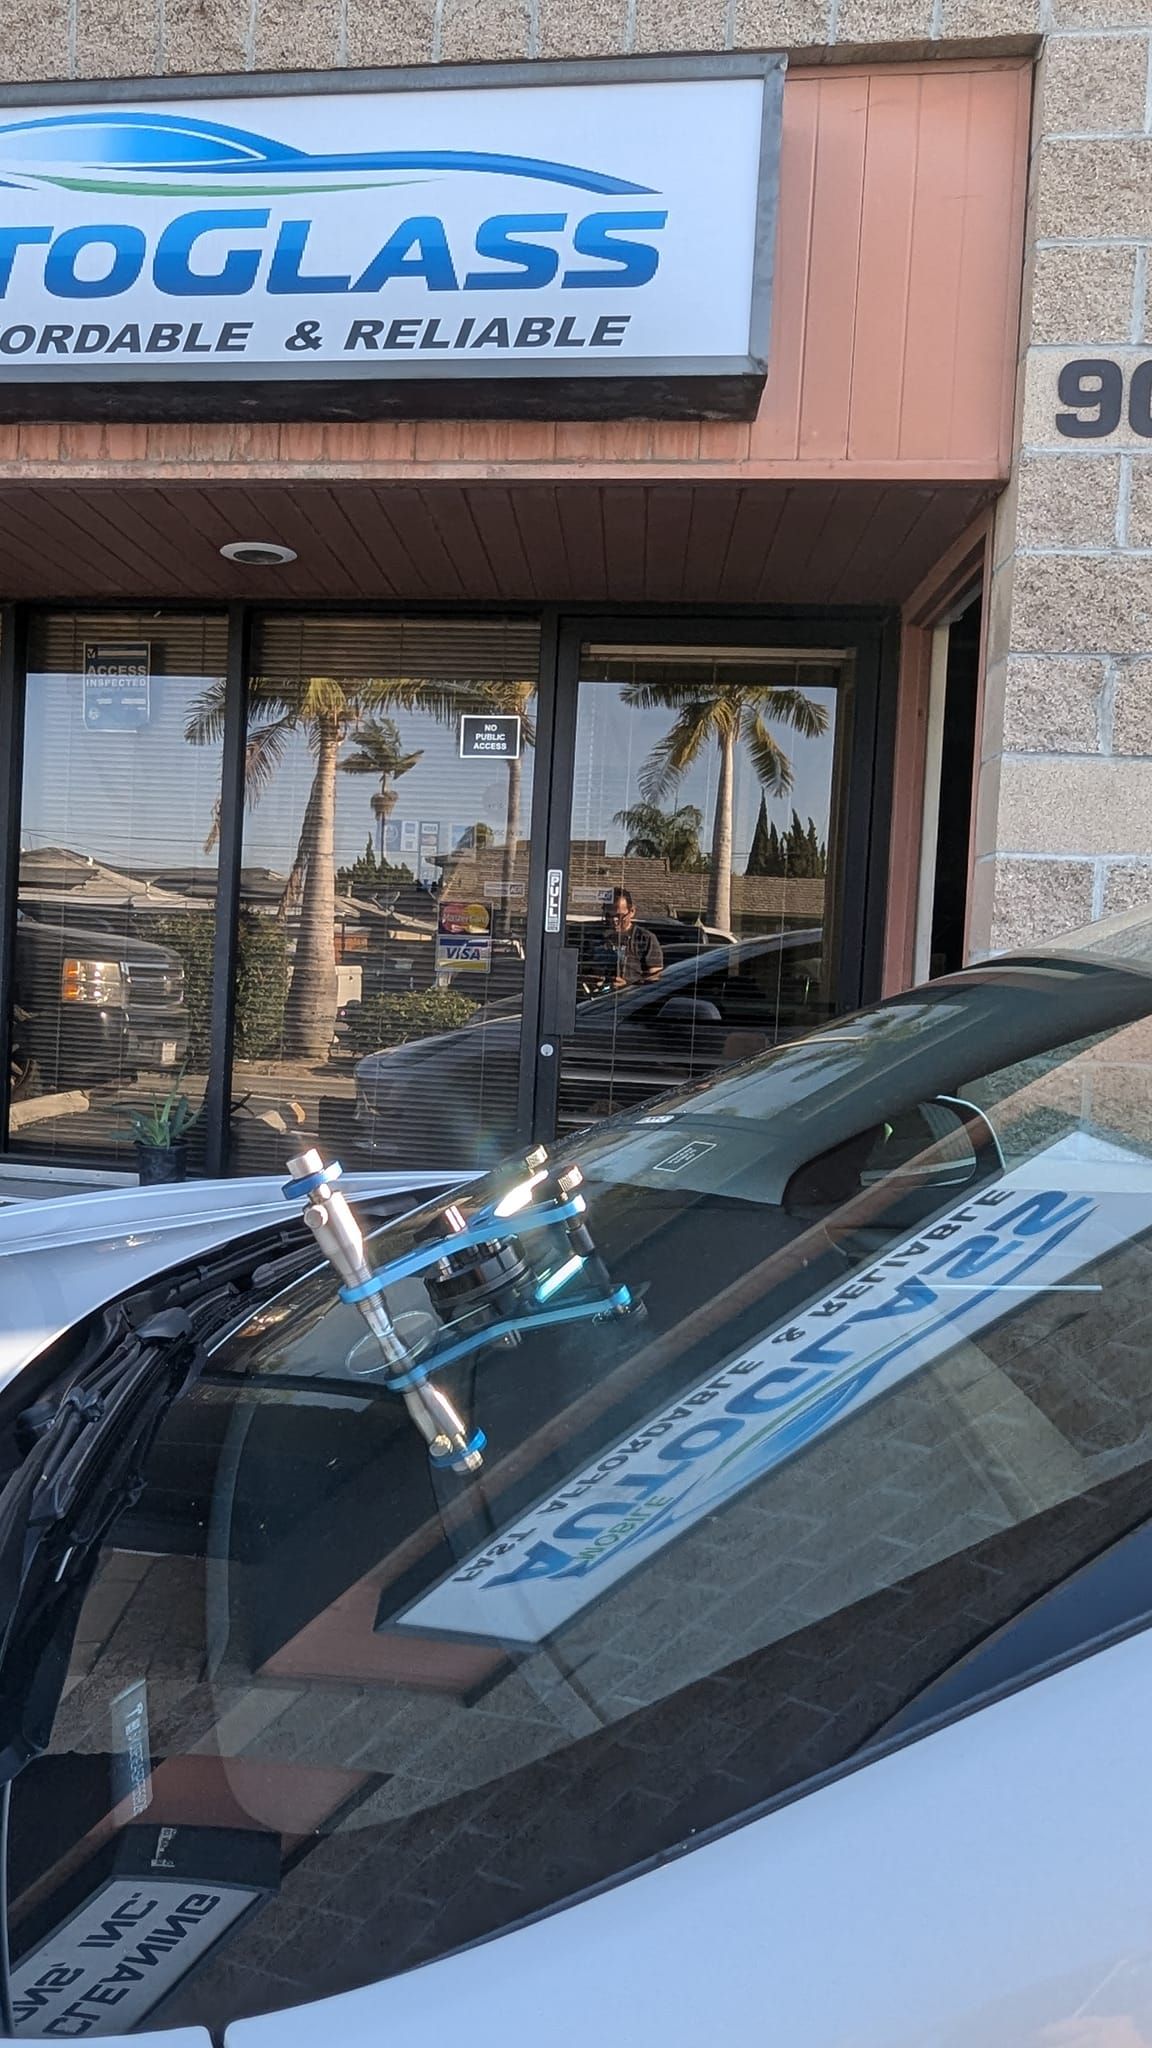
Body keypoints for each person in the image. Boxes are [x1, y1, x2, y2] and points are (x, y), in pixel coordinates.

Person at [595, 887, 663, 988]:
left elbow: (656, 978)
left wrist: (628, 986)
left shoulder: (645, 939)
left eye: (620, 916)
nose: (614, 920)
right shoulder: (594, 935)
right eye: (609, 915)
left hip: (630, 999)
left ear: (632, 911)